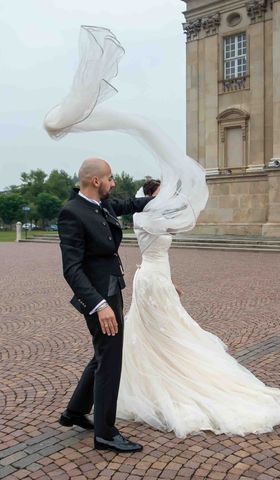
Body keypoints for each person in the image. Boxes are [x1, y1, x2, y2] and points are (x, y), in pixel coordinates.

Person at [116, 179, 280, 438]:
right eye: (161, 194)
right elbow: (174, 230)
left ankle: (167, 367)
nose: (166, 198)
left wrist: (170, 281)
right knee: (157, 329)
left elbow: (161, 249)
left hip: (159, 276)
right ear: (150, 195)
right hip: (150, 279)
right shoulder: (143, 218)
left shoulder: (156, 218)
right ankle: (160, 377)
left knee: (169, 326)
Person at [57, 158, 153, 453]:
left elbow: (127, 205)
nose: (113, 183)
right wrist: (99, 305)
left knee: (102, 354)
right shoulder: (71, 213)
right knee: (109, 361)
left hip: (111, 290)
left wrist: (155, 199)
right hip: (99, 299)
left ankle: (74, 412)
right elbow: (71, 269)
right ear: (96, 181)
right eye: (110, 178)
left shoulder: (103, 204)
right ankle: (105, 434)